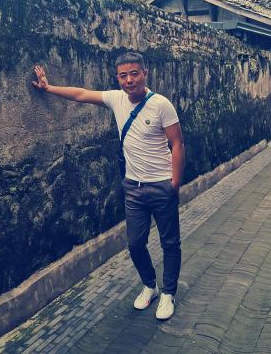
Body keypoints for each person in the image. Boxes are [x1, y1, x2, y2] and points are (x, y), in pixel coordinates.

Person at [32, 51, 185, 320]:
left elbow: (177, 143)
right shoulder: (116, 99)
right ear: (118, 78)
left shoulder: (161, 104)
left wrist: (174, 184)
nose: (129, 80)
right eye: (123, 76)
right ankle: (150, 286)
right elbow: (81, 94)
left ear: (145, 73)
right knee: (135, 244)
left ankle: (168, 294)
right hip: (134, 189)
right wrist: (48, 88)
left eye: (134, 74)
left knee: (169, 243)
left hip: (162, 185)